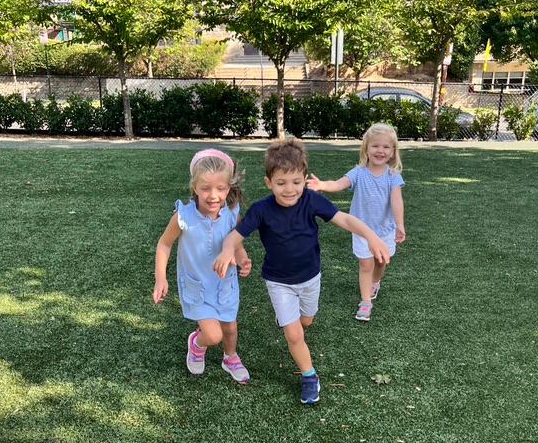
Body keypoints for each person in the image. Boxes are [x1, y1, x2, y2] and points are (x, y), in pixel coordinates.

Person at [213, 139, 390, 405]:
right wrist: (228, 251)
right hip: (278, 281)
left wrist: (372, 237)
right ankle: (309, 376)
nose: (289, 189)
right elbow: (235, 236)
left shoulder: (311, 200)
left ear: (304, 180)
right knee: (294, 334)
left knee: (306, 321)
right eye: (281, 183)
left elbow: (343, 218)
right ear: (268, 182)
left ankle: (292, 320)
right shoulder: (261, 210)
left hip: (310, 277)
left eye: (296, 182)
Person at [153, 149, 252, 383]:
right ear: (194, 187)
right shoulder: (183, 216)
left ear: (228, 188)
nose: (213, 196)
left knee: (230, 328)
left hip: (224, 284)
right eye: (205, 188)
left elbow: (236, 241)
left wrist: (242, 258)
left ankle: (230, 357)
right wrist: (160, 278)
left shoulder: (231, 213)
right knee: (214, 335)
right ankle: (197, 344)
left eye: (221, 188)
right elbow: (164, 244)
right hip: (197, 286)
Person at [307, 122, 405, 322]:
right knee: (366, 264)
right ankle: (366, 301)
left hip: (385, 231)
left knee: (381, 262)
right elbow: (339, 184)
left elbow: (397, 202)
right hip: (361, 230)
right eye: (375, 145)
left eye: (386, 147)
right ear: (366, 149)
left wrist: (400, 225)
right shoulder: (358, 172)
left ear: (393, 152)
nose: (380, 150)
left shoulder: (393, 176)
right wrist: (322, 185)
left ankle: (375, 282)